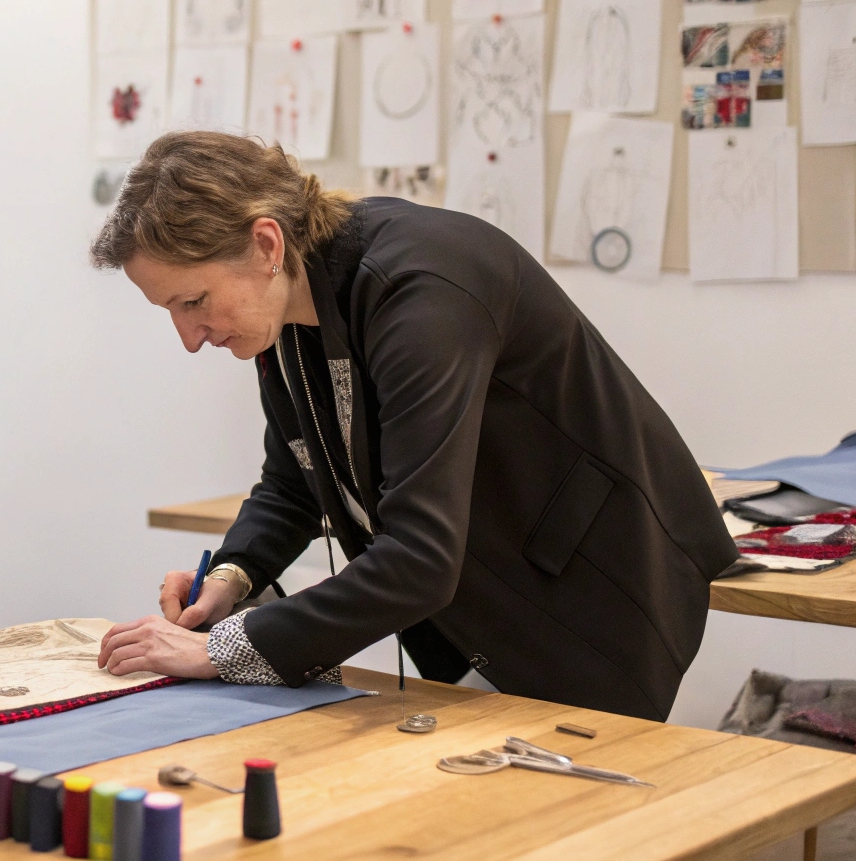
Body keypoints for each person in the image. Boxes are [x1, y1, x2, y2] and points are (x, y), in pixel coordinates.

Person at [90, 131, 736, 720]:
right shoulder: (284, 311)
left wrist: (220, 650)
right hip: (488, 592)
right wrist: (231, 579)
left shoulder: (421, 289)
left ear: (265, 245)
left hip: (598, 583)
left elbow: (421, 559)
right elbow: (294, 481)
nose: (189, 339)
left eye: (193, 302)